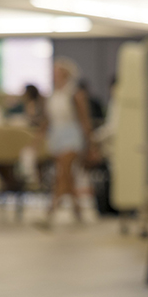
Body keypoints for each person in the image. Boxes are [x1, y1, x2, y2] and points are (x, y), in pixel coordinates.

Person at [41, 58, 100, 225]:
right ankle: (78, 211)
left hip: (72, 136)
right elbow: (47, 121)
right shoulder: (53, 95)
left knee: (63, 173)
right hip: (56, 136)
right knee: (67, 176)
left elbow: (84, 120)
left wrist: (90, 144)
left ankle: (50, 212)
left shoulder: (75, 94)